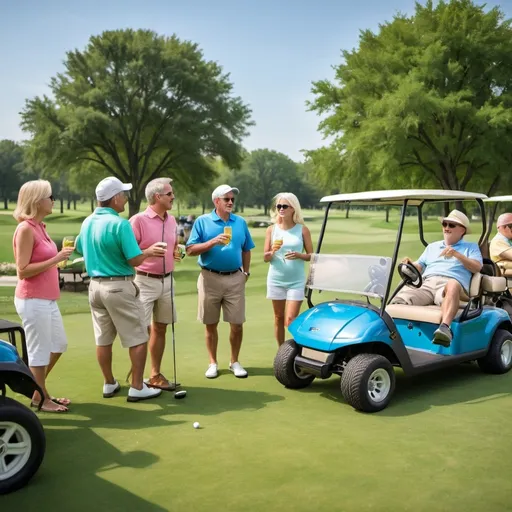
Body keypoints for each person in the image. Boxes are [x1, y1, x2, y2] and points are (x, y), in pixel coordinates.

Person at [76, 177, 166, 402]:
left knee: (103, 338)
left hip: (95, 287)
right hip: (118, 286)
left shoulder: (87, 222)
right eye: (123, 194)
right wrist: (149, 251)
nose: (125, 198)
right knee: (138, 336)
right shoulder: (120, 224)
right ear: (115, 198)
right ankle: (137, 386)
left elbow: (79, 248)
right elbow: (135, 260)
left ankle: (109, 383)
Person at [12, 180, 74, 413]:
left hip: (47, 298)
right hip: (32, 299)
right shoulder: (26, 229)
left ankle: (38, 392)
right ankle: (42, 398)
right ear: (37, 201)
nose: (53, 200)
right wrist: (57, 259)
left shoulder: (40, 227)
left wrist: (58, 260)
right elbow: (23, 270)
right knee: (39, 351)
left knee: (59, 344)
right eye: (50, 196)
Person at [186, 184, 255, 379]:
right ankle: (212, 362)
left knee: (237, 323)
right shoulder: (203, 221)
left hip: (235, 278)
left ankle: (234, 362)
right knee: (210, 323)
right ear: (217, 201)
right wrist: (213, 242)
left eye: (232, 199)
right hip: (209, 278)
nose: (231, 202)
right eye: (227, 199)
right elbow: (190, 250)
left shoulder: (239, 222)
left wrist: (246, 273)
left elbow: (246, 248)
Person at [391, 209, 482, 347]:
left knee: (452, 284)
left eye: (451, 225)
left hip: (451, 286)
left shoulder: (470, 247)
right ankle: (391, 334)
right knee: (399, 298)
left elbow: (477, 267)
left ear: (462, 230)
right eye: (445, 224)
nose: (446, 228)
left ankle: (445, 329)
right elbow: (420, 266)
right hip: (427, 284)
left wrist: (457, 255)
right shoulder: (432, 247)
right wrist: (410, 264)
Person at [129, 177, 182, 391]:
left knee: (161, 327)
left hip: (167, 280)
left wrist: (176, 251)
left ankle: (155, 375)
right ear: (157, 196)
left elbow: (174, 245)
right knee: (141, 329)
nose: (173, 197)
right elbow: (129, 255)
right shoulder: (138, 220)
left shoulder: (172, 220)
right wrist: (148, 252)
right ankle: (137, 381)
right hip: (144, 280)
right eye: (169, 194)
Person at [263, 193, 313, 346]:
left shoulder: (302, 230)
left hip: (296, 281)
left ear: (293, 209)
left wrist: (299, 255)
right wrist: (271, 252)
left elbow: (311, 255)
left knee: (290, 320)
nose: (281, 209)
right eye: (279, 206)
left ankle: (294, 350)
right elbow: (265, 257)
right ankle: (281, 353)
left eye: (285, 206)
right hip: (276, 279)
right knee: (278, 317)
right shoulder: (271, 230)